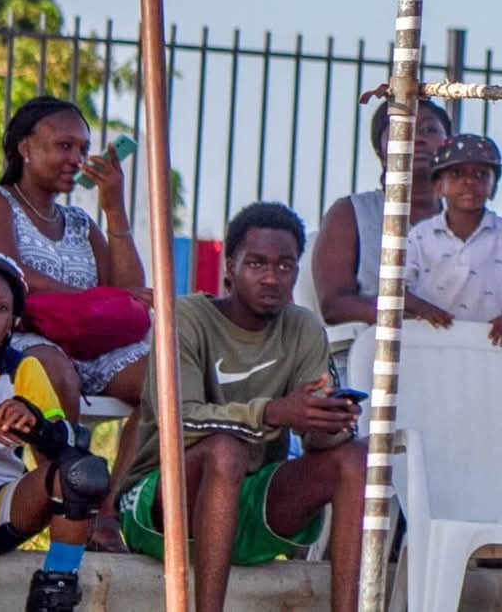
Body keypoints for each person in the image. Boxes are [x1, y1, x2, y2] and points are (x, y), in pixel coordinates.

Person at [116, 203, 366, 612]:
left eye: (285, 266)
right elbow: (175, 419)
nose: (271, 277)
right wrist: (272, 413)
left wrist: (327, 423)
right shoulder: (186, 318)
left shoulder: (302, 327)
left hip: (248, 505)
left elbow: (317, 437)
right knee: (225, 450)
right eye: (256, 263)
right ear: (229, 267)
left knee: (355, 459)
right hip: (162, 508)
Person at [0, 96, 148, 546]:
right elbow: (7, 275)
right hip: (21, 338)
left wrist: (115, 209)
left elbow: (130, 289)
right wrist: (93, 298)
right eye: (64, 146)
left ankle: (106, 510)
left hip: (88, 344)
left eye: (82, 149)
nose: (77, 159)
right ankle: (65, 498)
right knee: (52, 371)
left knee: (167, 379)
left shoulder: (81, 222)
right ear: (25, 148)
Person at [0, 253, 111, 612]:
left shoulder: (24, 368)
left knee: (81, 474)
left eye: (0, 308)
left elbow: (70, 446)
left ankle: (56, 592)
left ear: (12, 320)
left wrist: (38, 426)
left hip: (1, 508)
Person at [312, 97, 453, 329]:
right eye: (402, 130)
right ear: (381, 150)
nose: (417, 138)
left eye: (429, 129)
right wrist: (416, 317)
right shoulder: (350, 213)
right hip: (369, 353)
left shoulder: (469, 222)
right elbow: (334, 305)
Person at [403, 134, 502, 344]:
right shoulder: (420, 236)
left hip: (490, 342)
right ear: (439, 187)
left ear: (494, 188)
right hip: (433, 341)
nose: (469, 181)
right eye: (456, 174)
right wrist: (424, 310)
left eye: (481, 175)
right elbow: (395, 286)